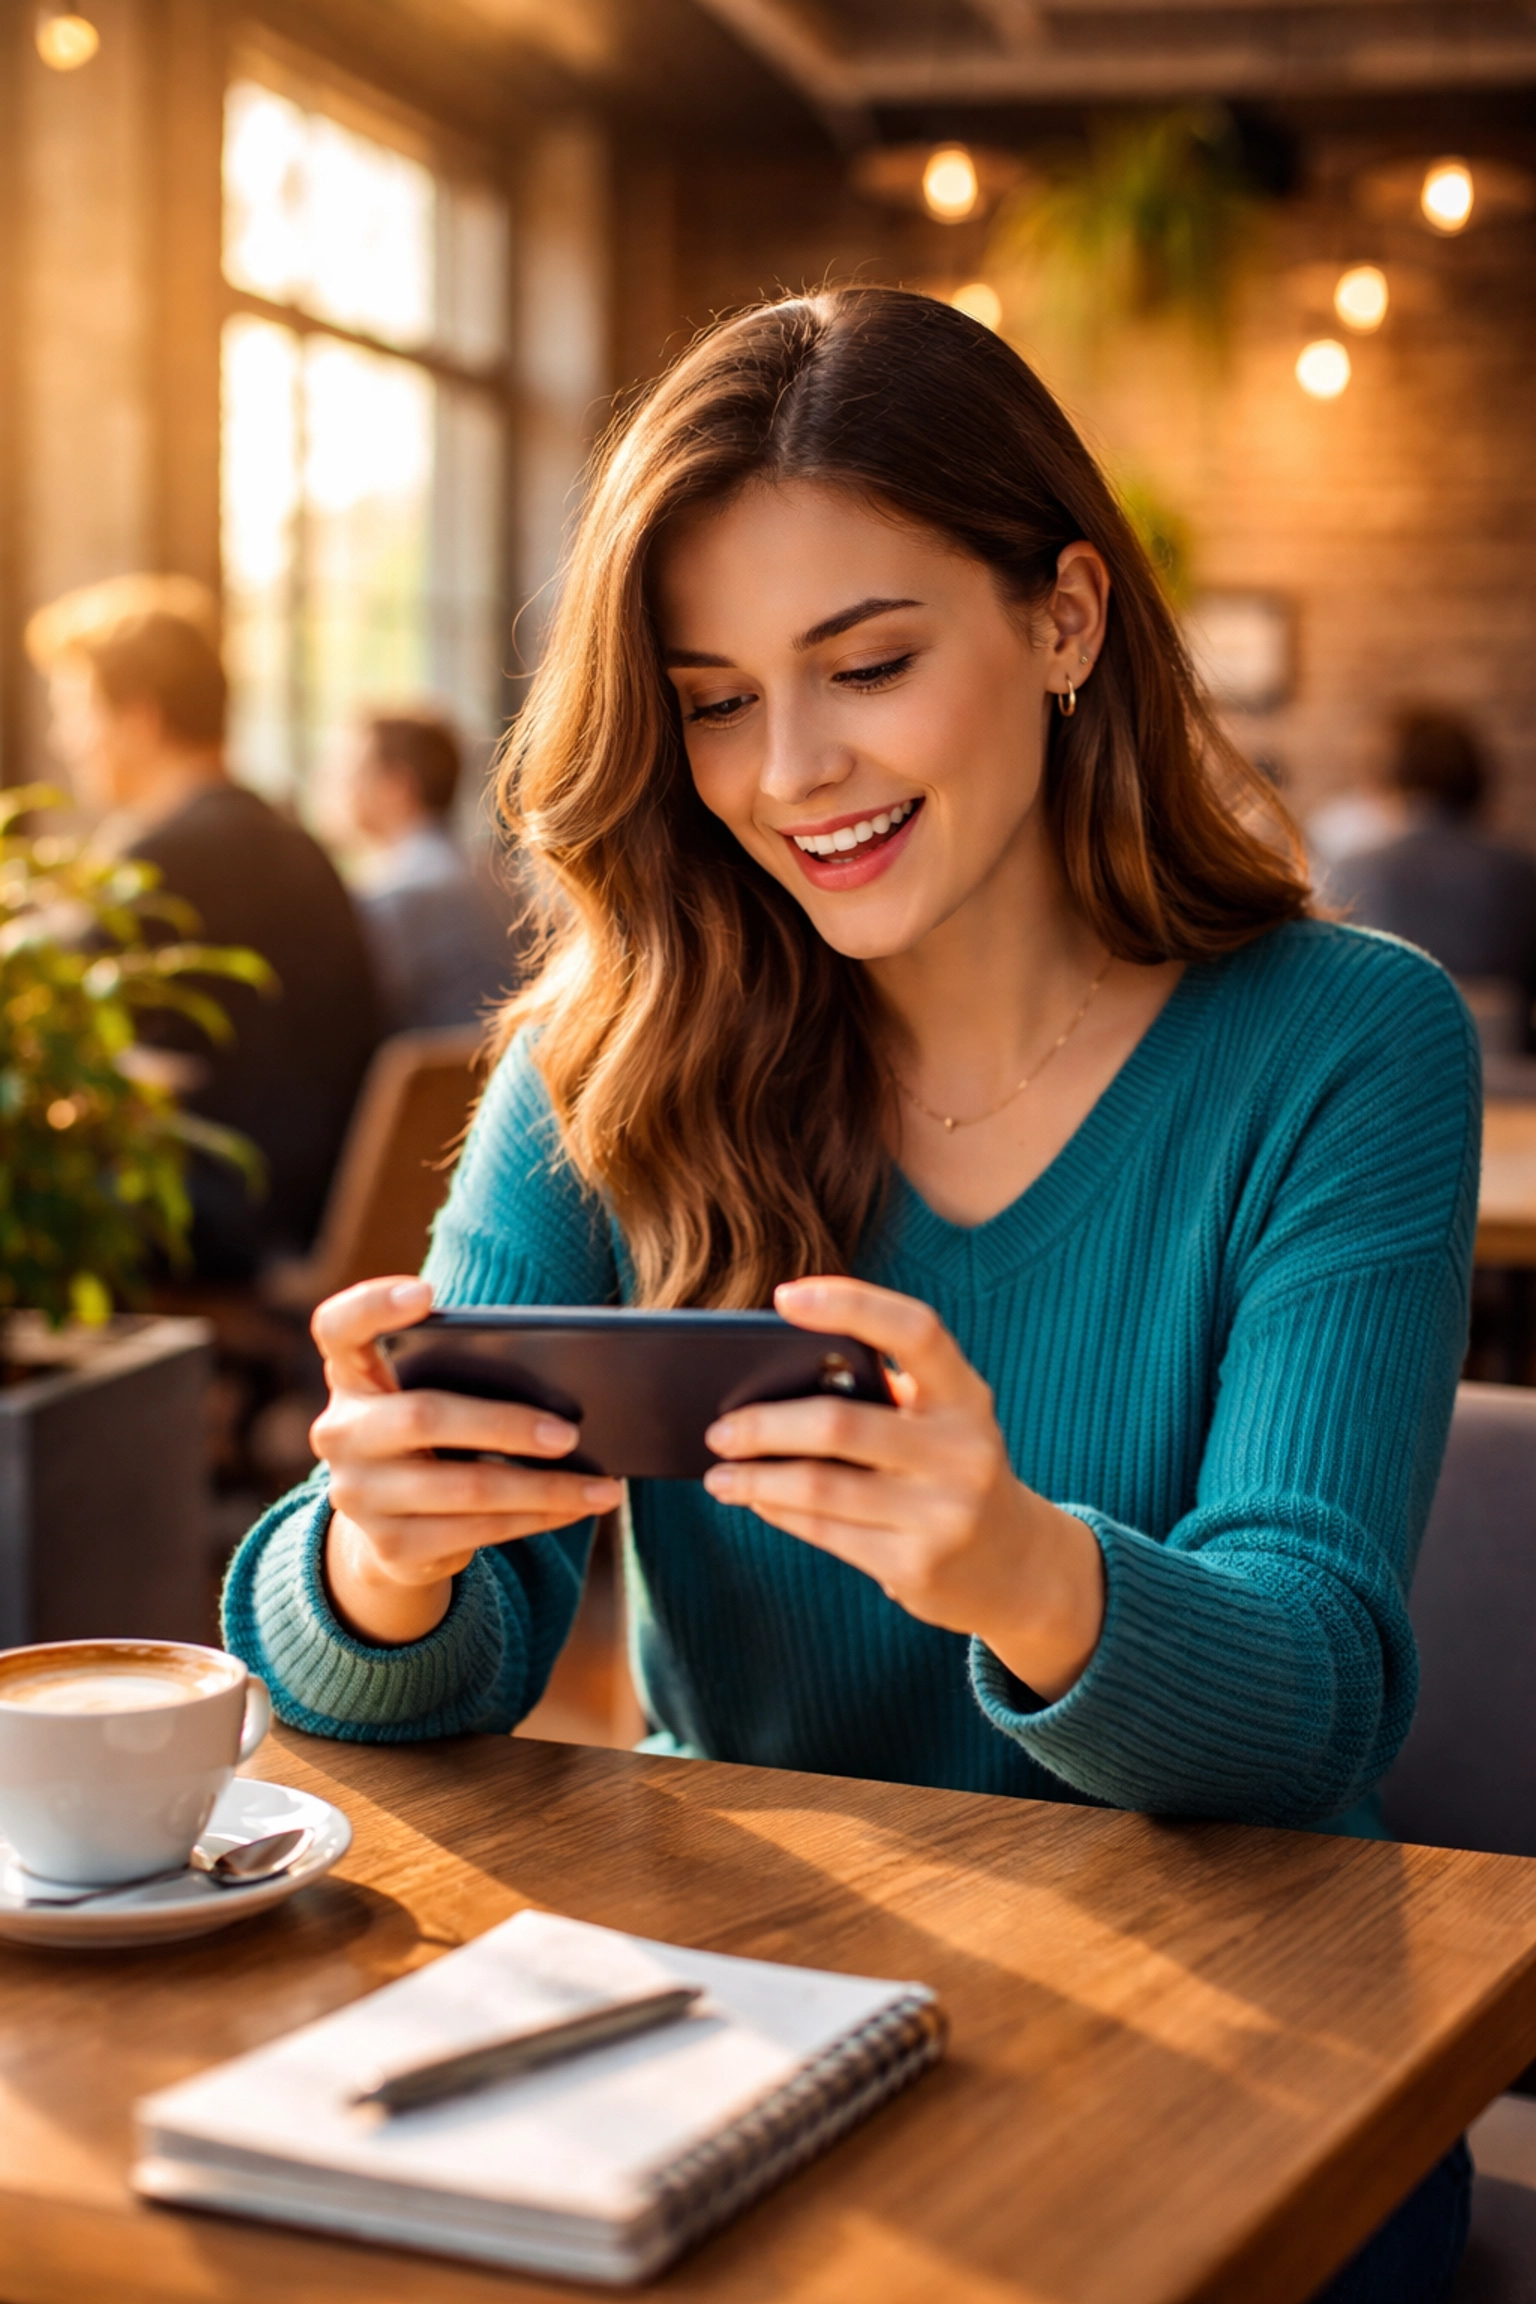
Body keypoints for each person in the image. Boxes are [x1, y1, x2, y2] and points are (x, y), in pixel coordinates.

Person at [223, 291, 1478, 2300]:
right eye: (712, 698)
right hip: (736, 2033)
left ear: (1067, 620)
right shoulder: (608, 1055)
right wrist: (377, 1566)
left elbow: (1313, 1690)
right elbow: (396, 1671)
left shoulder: (1344, 1044)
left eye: (869, 664)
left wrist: (1016, 1568)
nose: (790, 771)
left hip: (1241, 2066)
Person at [26, 576, 380, 1278]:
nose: (64, 741)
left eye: (74, 710)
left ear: (138, 718)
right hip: (306, 1197)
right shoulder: (286, 838)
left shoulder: (172, 856)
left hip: (228, 1211)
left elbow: (35, 997)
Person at [1329, 709, 1536, 1047]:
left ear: (1382, 776)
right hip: (1508, 1069)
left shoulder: (1352, 869)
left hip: (1384, 1066)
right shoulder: (1520, 871)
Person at [345, 708, 520, 1033]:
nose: (338, 785)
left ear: (396, 787)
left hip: (434, 1080)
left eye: (350, 770)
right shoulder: (499, 879)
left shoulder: (397, 898)